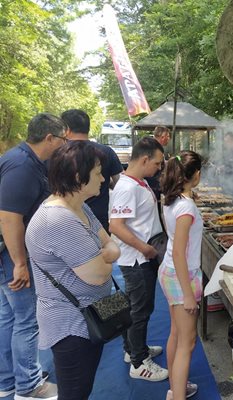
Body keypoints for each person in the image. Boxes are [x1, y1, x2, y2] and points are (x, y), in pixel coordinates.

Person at [25, 141, 120, 400]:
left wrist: (105, 254)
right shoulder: (59, 219)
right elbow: (99, 273)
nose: (103, 178)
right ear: (79, 177)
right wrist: (105, 255)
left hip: (92, 312)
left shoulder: (78, 206)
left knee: (83, 387)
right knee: (75, 393)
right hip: (72, 324)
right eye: (98, 172)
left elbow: (111, 244)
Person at [0, 113, 65, 400]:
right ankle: (28, 385)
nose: (64, 145)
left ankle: (8, 380)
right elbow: (10, 219)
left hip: (7, 254)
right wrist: (20, 264)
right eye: (62, 139)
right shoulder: (22, 166)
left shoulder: (26, 160)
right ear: (49, 138)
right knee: (26, 320)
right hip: (9, 255)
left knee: (8, 318)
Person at [109, 137, 168, 382]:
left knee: (137, 306)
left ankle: (133, 349)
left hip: (143, 256)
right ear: (144, 159)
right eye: (157, 163)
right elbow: (116, 226)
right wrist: (145, 249)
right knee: (139, 310)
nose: (158, 168)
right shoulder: (126, 187)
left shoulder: (139, 182)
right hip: (137, 259)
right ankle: (139, 362)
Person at [159, 151, 203, 400]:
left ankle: (176, 387)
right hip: (181, 276)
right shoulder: (185, 208)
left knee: (176, 333)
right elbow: (179, 253)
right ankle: (178, 395)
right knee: (188, 342)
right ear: (195, 175)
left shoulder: (172, 199)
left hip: (169, 273)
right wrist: (188, 295)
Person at [61, 109, 123, 233]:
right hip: (98, 221)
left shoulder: (59, 154)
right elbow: (121, 184)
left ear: (66, 128)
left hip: (65, 220)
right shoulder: (107, 152)